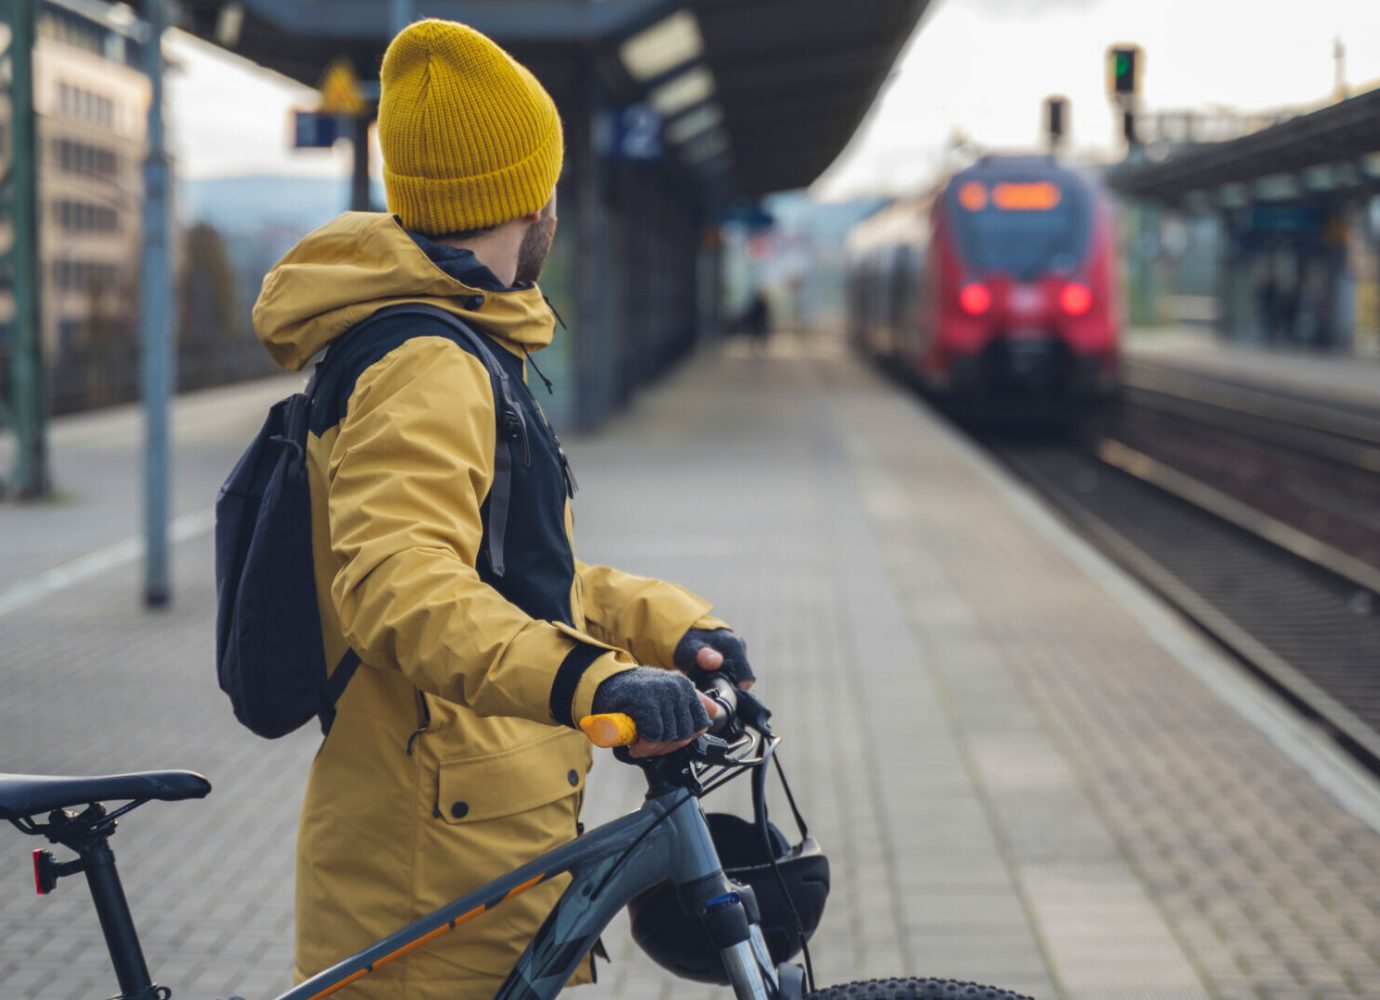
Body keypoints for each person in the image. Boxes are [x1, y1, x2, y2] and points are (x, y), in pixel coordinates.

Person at [250, 19, 754, 1000]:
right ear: (531, 198)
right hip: (430, 891)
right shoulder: (428, 365)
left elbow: (516, 583)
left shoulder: (459, 348)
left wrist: (670, 628)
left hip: (474, 848)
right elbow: (401, 588)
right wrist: (591, 683)